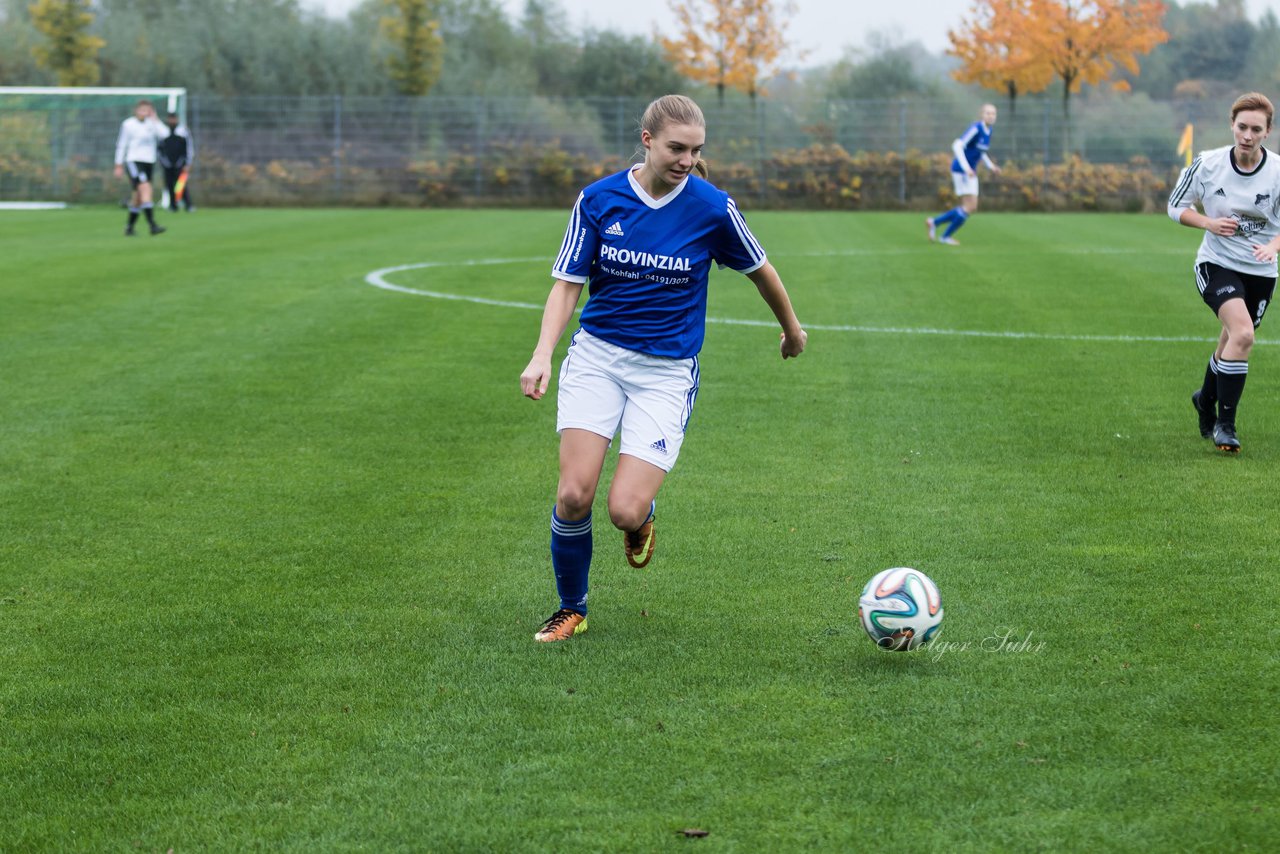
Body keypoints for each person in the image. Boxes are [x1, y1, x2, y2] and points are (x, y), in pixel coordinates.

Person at [519, 94, 807, 643]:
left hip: (666, 373)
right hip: (597, 360)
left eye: (696, 151)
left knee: (623, 511)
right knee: (574, 495)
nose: (686, 159)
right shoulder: (599, 199)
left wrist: (792, 330)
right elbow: (566, 285)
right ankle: (571, 607)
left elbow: (761, 270)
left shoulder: (711, 207)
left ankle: (642, 516)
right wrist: (541, 355)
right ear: (647, 140)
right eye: (677, 148)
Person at [1169, 91, 1280, 454]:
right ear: (1232, 125)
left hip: (1261, 271)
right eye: (1242, 127)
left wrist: (1273, 247)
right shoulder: (1207, 163)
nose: (1247, 135)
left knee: (1230, 340)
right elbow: (1175, 206)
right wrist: (1208, 223)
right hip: (1216, 264)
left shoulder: (1277, 171)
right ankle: (1225, 425)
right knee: (1244, 334)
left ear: (1267, 132)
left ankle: (1205, 400)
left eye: (1256, 129)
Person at [926, 103, 1002, 246]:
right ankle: (944, 235)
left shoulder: (989, 130)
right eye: (988, 113)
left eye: (993, 113)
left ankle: (935, 223)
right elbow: (957, 145)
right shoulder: (976, 128)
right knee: (970, 206)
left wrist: (991, 166)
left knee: (971, 206)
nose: (991, 116)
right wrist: (966, 168)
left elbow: (981, 152)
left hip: (970, 172)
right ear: (982, 114)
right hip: (961, 171)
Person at [113, 99, 168, 236]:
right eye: (143, 109)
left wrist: (155, 119)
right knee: (146, 190)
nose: (145, 112)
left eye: (148, 110)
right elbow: (122, 144)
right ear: (136, 110)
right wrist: (118, 164)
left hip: (149, 162)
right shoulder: (128, 124)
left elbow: (165, 134)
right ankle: (152, 225)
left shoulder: (152, 124)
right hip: (134, 161)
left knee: (138, 197)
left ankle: (129, 228)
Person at [158, 111, 196, 213]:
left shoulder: (183, 131)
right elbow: (160, 149)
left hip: (180, 163)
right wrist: (163, 162)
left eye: (174, 118)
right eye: (170, 118)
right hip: (167, 164)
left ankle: (188, 205)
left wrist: (187, 162)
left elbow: (189, 148)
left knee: (181, 184)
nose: (172, 120)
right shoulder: (164, 132)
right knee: (169, 184)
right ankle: (173, 206)